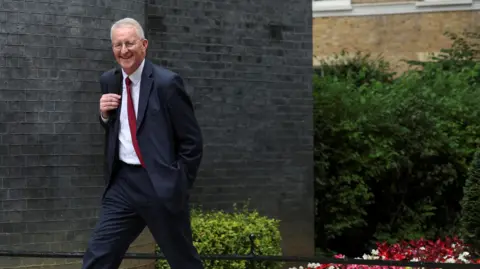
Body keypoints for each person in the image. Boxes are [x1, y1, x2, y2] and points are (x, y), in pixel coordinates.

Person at [81, 17, 204, 269]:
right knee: (99, 255)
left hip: (159, 184)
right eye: (117, 45)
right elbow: (119, 127)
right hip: (123, 183)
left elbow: (192, 141)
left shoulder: (166, 83)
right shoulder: (109, 80)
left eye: (129, 43)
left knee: (183, 261)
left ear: (144, 44)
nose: (123, 50)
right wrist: (104, 115)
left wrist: (177, 183)